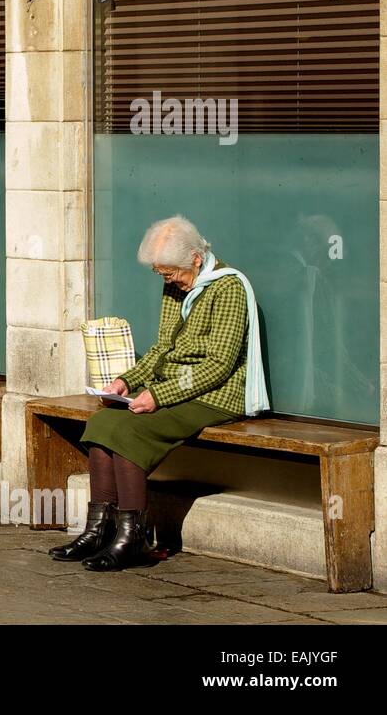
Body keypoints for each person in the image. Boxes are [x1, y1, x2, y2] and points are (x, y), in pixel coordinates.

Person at [51, 215, 269, 571]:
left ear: (196, 259)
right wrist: (126, 380)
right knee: (104, 422)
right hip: (174, 385)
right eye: (162, 274)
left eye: (170, 273)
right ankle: (99, 530)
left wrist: (159, 396)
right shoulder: (176, 285)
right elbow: (162, 348)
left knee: (131, 430)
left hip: (216, 393)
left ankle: (132, 538)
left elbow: (218, 366)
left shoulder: (228, 289)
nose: (167, 281)